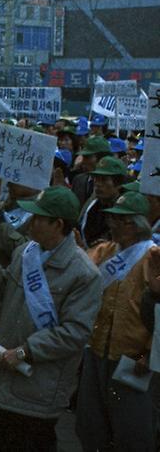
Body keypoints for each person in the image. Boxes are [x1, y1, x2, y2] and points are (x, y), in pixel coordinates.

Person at [0, 186, 102, 451]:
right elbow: (3, 290)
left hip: (40, 382)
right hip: (7, 372)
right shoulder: (26, 253)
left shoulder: (84, 273)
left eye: (39, 218)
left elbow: (75, 332)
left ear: (58, 225)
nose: (31, 222)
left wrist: (25, 351)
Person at [76, 191, 157, 451]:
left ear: (138, 225)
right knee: (90, 425)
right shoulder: (104, 251)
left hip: (133, 358)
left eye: (123, 221)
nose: (115, 225)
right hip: (96, 348)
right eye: (114, 219)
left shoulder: (153, 258)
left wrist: (150, 353)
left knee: (131, 431)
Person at [80, 156, 128, 247]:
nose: (98, 184)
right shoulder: (93, 207)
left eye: (104, 179)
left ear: (118, 184)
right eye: (96, 179)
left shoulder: (127, 210)